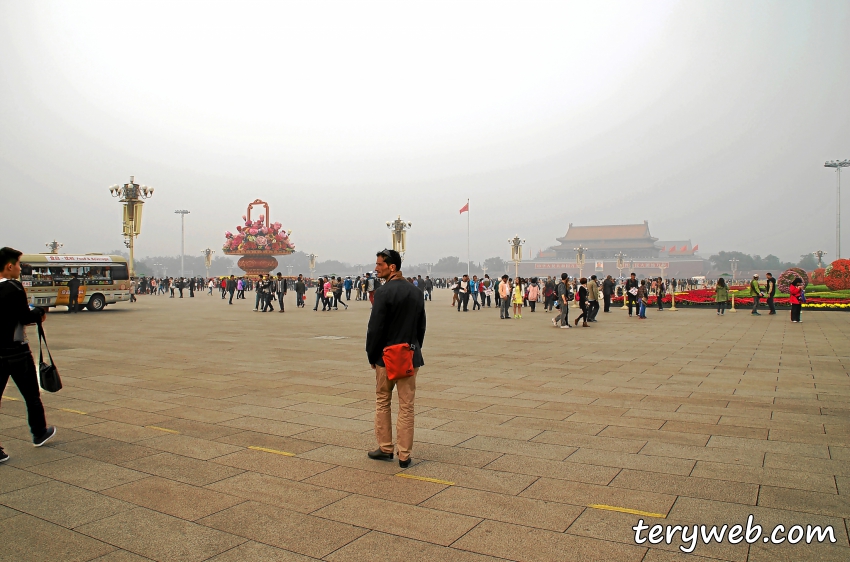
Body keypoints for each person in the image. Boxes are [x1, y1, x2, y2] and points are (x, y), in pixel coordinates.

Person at [366, 249, 426, 469]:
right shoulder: (416, 292)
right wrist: (414, 350)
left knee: (383, 400)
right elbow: (421, 327)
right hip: (409, 357)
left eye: (379, 264)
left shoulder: (383, 293)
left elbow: (375, 329)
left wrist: (372, 355)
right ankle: (404, 455)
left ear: (392, 267)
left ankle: (385, 447)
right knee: (407, 406)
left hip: (386, 357)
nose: (376, 268)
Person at [0, 247, 57, 463]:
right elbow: (24, 316)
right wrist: (40, 312)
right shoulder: (14, 288)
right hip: (16, 352)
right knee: (31, 395)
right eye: (18, 265)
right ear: (9, 266)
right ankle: (39, 432)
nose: (19, 268)